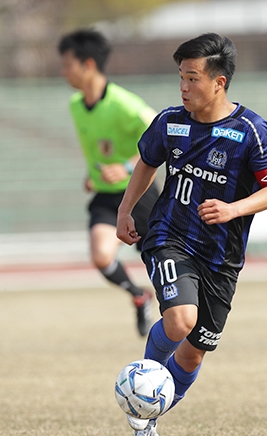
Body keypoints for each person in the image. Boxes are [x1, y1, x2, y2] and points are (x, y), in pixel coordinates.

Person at [116, 33, 267, 436]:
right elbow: (146, 164)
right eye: (181, 77)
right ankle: (144, 399)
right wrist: (125, 210)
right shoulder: (170, 121)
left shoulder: (251, 130)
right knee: (179, 321)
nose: (183, 87)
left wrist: (233, 209)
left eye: (192, 78)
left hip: (222, 258)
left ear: (219, 82)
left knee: (192, 357)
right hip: (169, 237)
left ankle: (148, 415)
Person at [58, 29, 160, 336]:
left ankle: (177, 318)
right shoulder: (77, 106)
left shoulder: (123, 103)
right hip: (106, 196)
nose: (64, 72)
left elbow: (161, 129)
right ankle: (139, 296)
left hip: (139, 193)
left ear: (88, 64)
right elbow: (99, 151)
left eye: (67, 65)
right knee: (101, 255)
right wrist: (94, 174)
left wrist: (128, 165)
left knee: (159, 264)